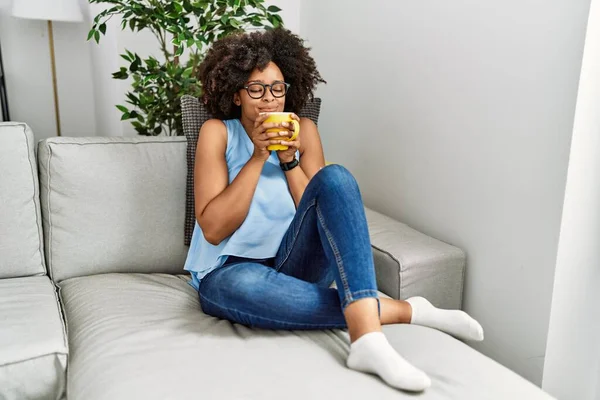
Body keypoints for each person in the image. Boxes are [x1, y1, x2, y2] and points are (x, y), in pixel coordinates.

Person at [184, 27, 483, 392]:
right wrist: (259, 157)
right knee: (242, 285)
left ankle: (366, 341)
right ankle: (408, 311)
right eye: (256, 89)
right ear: (236, 94)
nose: (270, 100)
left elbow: (318, 209)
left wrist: (289, 160)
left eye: (278, 88)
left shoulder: (303, 130)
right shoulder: (219, 132)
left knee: (335, 178)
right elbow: (214, 229)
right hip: (231, 270)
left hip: (295, 262)